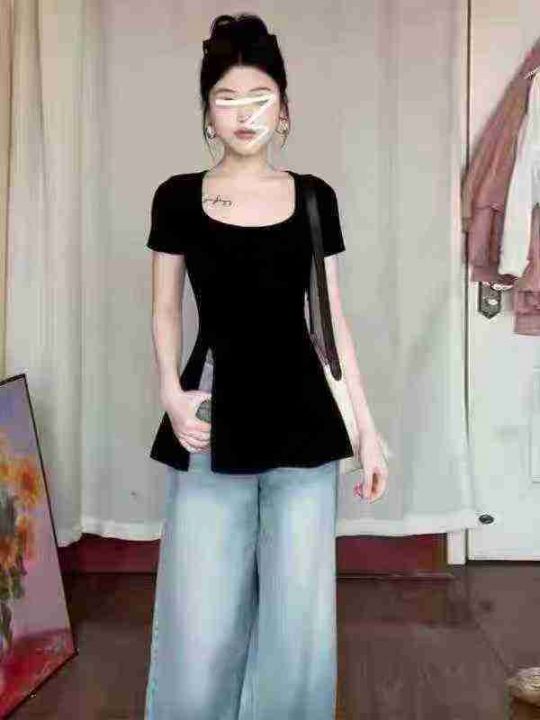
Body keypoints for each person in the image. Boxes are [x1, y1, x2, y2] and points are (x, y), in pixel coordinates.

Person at [144, 13, 389, 720]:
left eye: (260, 97)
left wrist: (367, 432)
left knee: (298, 614)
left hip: (305, 417)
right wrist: (171, 394)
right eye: (227, 98)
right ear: (206, 113)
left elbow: (331, 325)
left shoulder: (313, 197)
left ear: (284, 108)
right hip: (210, 412)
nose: (244, 113)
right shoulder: (177, 196)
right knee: (199, 610)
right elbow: (164, 310)